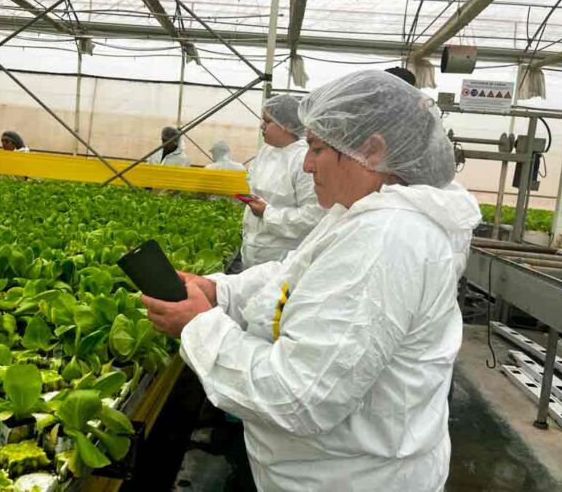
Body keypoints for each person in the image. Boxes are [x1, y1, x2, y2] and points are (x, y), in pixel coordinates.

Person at [141, 70, 481, 491]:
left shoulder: (387, 240)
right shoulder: (365, 213)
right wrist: (220, 290)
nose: (305, 162)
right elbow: (295, 270)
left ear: (372, 150)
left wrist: (199, 325)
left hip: (351, 480)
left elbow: (298, 395)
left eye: (318, 148)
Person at [240, 94, 324, 268]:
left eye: (267, 121)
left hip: (282, 257)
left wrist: (267, 213)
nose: (262, 126)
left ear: (286, 125)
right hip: (253, 248)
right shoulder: (265, 151)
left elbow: (313, 216)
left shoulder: (304, 160)